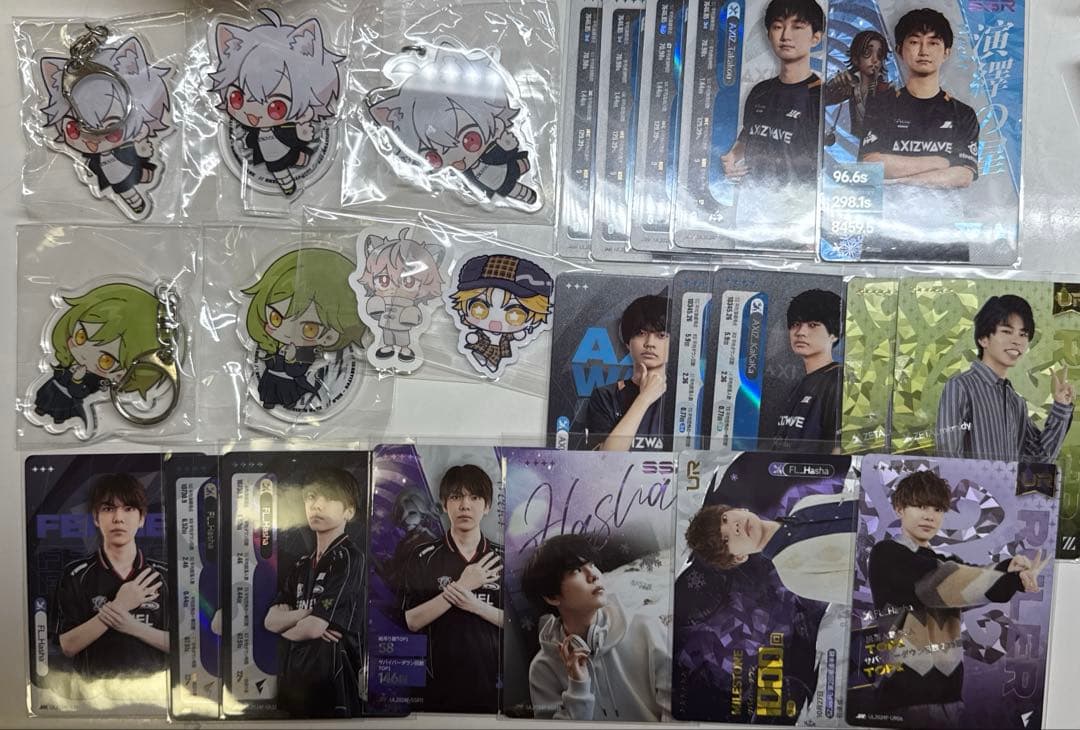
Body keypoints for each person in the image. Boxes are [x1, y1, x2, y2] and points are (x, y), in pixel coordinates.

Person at [866, 470, 1049, 726]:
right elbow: (942, 582)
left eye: (938, 509)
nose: (930, 516)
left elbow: (966, 577)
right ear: (899, 509)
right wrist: (1010, 580)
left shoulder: (943, 561)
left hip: (950, 698)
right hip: (903, 699)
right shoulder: (887, 554)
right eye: (920, 506)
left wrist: (1008, 569)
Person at [521, 534, 671, 721]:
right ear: (552, 597)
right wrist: (578, 687)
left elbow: (676, 713)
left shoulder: (645, 628)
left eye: (591, 565)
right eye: (576, 570)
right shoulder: (542, 669)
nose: (594, 575)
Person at [401, 464, 503, 713]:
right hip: (436, 687)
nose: (465, 505)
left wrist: (475, 605)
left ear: (488, 506)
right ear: (444, 504)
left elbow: (514, 623)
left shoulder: (503, 558)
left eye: (475, 497)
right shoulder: (423, 556)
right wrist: (463, 585)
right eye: (456, 497)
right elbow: (412, 621)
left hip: (493, 686)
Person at [264, 469, 365, 718]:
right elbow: (269, 621)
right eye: (310, 497)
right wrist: (308, 614)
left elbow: (312, 628)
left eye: (328, 497)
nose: (316, 505)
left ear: (349, 511)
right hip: (293, 682)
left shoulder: (350, 557)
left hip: (332, 684)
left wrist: (291, 623)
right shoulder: (301, 565)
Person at [54, 474, 169, 685]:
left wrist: (132, 626)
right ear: (96, 518)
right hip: (93, 694)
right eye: (108, 509)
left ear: (142, 518)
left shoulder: (163, 575)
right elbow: (68, 646)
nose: (118, 518)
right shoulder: (76, 575)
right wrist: (121, 605)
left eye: (128, 508)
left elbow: (184, 644)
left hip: (153, 692)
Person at [936, 294, 1074, 460]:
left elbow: (1039, 458)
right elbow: (948, 458)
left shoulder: (1016, 402)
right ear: (983, 339)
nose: (1017, 341)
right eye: (1007, 331)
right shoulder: (960, 387)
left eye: (1023, 334)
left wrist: (1061, 406)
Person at [858, 8, 978, 189]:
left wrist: (900, 180)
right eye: (914, 42)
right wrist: (941, 162)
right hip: (890, 205)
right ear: (899, 50)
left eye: (933, 43)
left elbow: (963, 176)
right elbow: (870, 163)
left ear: (946, 52)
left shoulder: (963, 114)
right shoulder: (881, 105)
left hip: (942, 207)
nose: (924, 51)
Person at [685, 488, 856, 605]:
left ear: (740, 509)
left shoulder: (805, 504)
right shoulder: (794, 577)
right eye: (726, 539)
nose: (735, 527)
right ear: (739, 557)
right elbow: (862, 589)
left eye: (725, 519)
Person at [721, 0, 824, 192]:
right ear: (768, 34)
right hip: (752, 198)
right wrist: (732, 156)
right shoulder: (759, 91)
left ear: (816, 37)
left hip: (795, 201)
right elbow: (749, 135)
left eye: (797, 27)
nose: (786, 36)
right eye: (777, 27)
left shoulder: (821, 97)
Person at [579, 294, 669, 451]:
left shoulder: (684, 398)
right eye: (641, 333)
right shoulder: (606, 396)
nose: (650, 343)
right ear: (628, 342)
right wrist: (645, 398)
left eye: (661, 335)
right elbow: (605, 459)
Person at [772, 289, 844, 452]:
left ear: (834, 334)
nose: (800, 332)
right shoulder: (798, 386)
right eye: (796, 324)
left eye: (812, 325)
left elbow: (839, 449)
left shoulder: (838, 381)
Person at [824, 29, 891, 141]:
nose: (875, 60)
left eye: (879, 55)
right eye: (867, 53)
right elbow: (820, 100)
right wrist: (833, 85)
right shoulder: (849, 85)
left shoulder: (887, 91)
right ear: (856, 59)